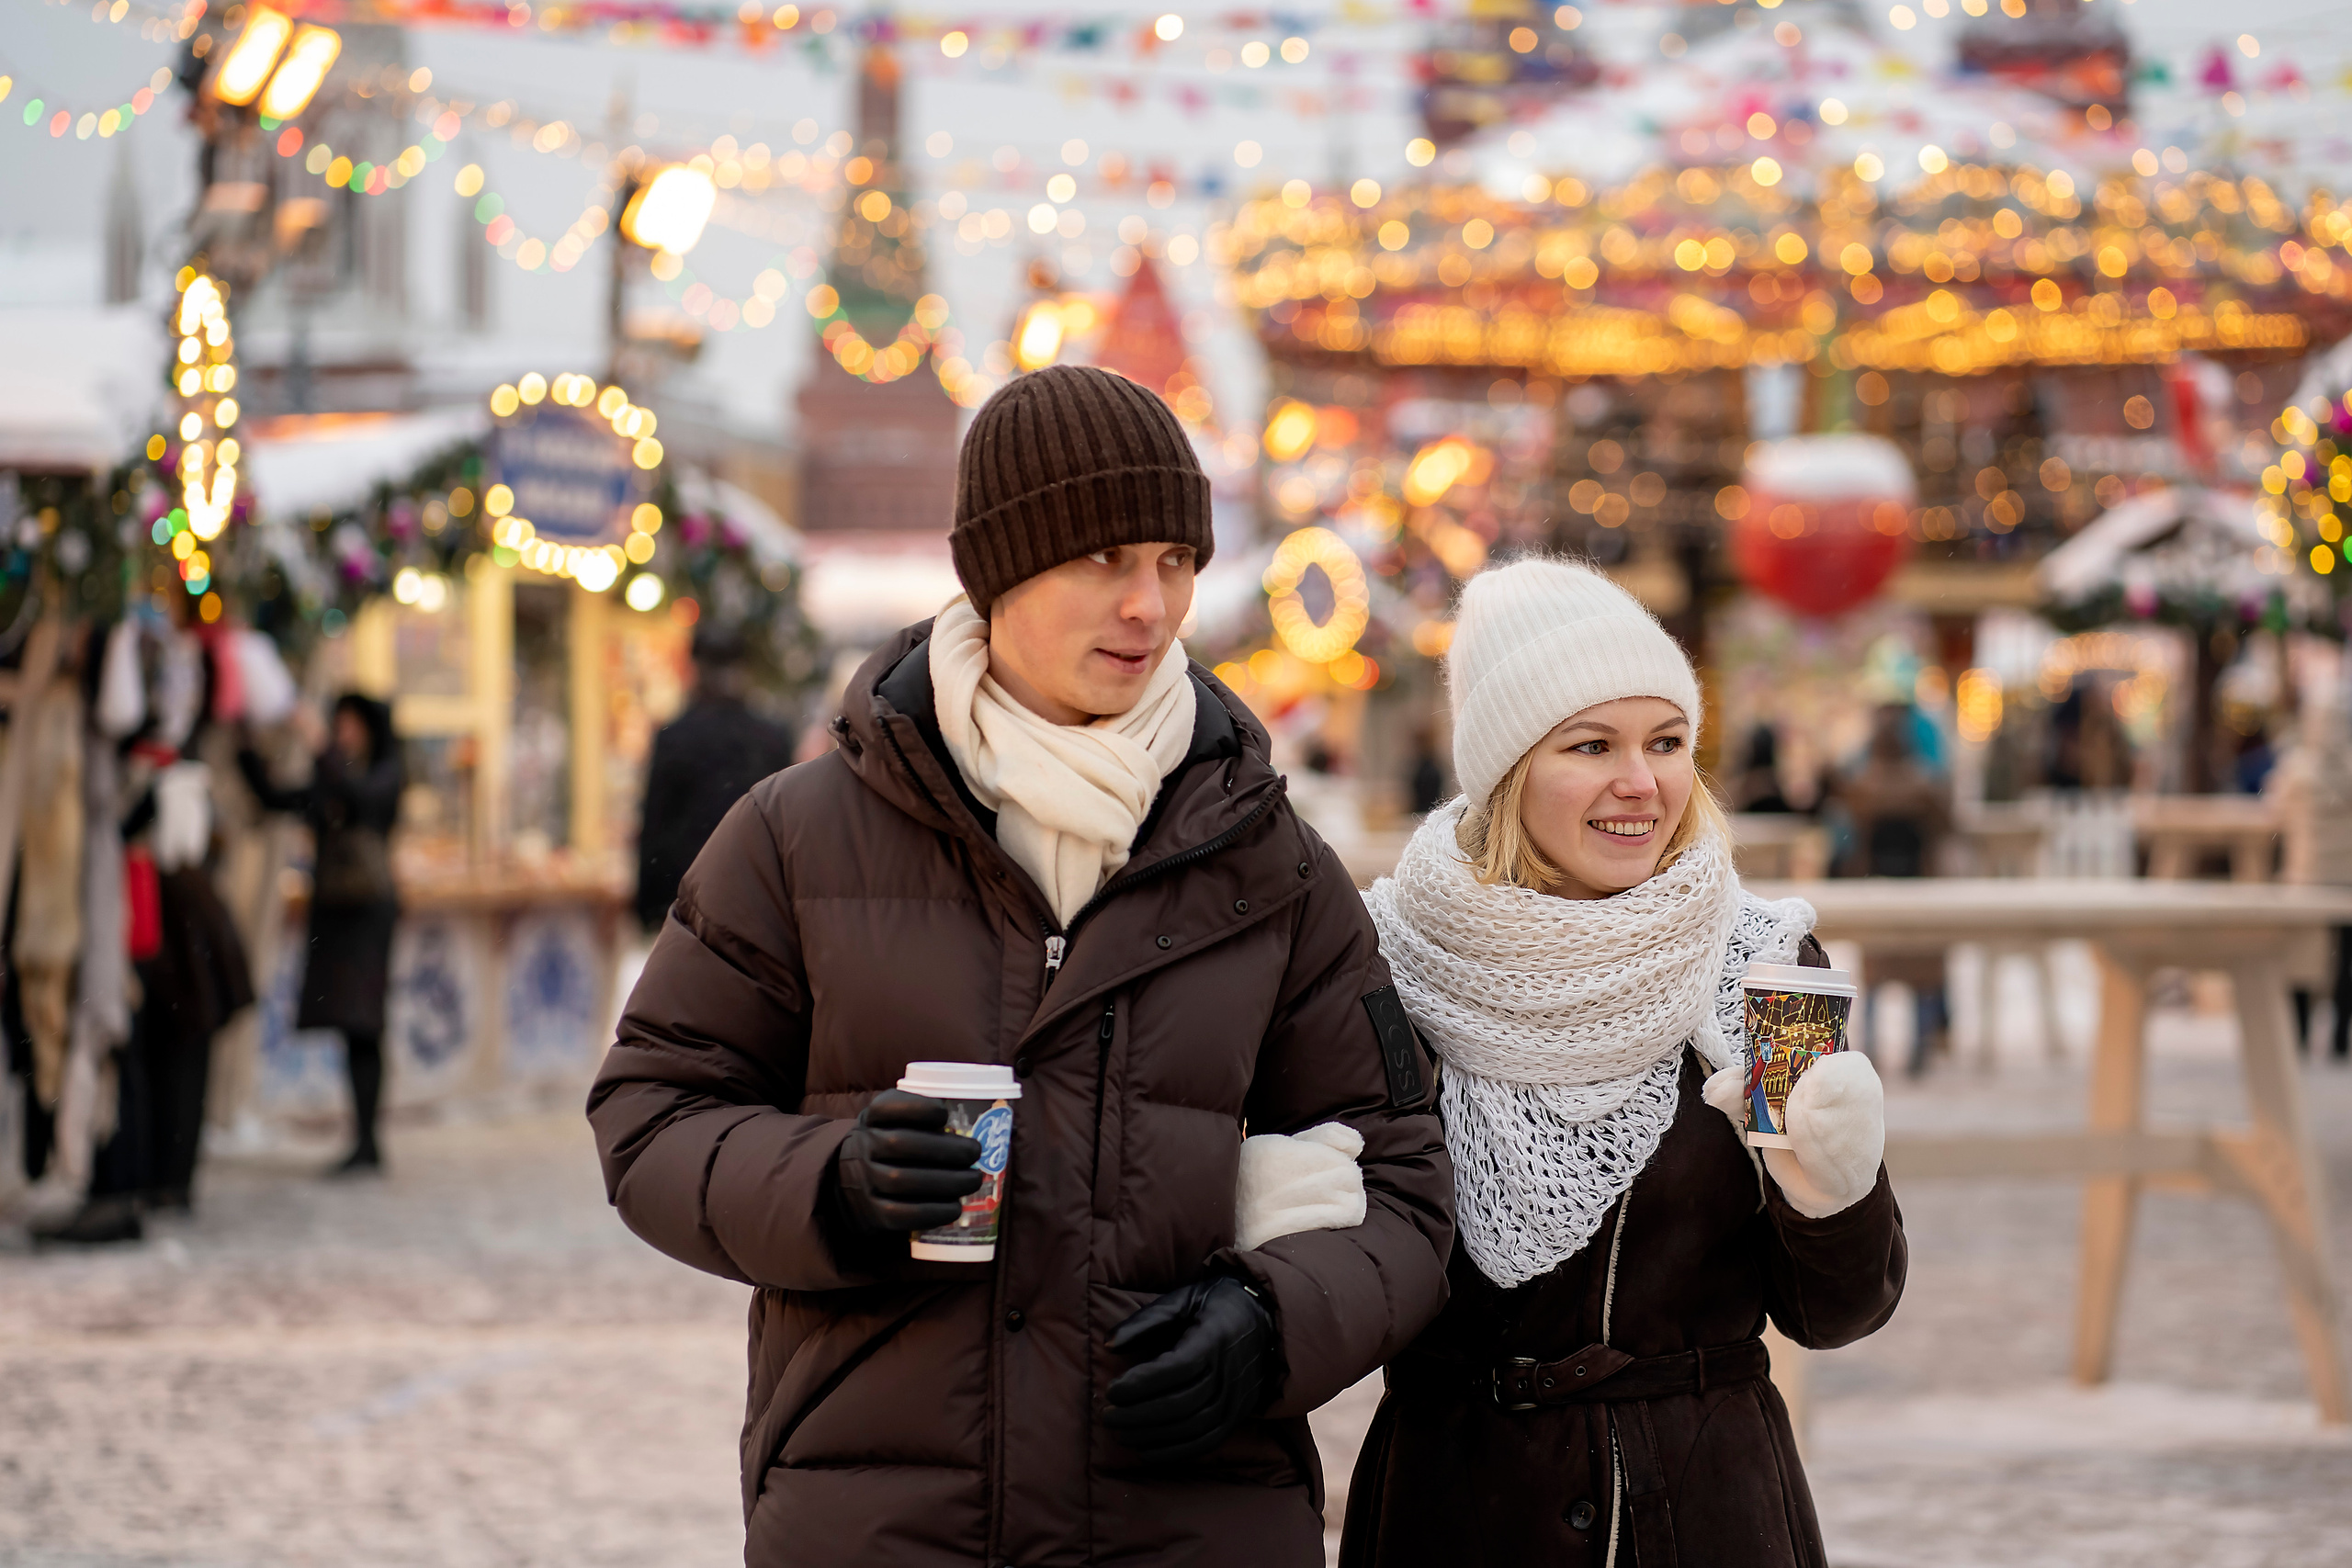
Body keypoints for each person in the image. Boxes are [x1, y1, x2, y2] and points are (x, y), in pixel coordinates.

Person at [589, 365, 1454, 1568]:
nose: (1148, 605)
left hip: (1188, 1516)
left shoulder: (1279, 866)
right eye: (1103, 558)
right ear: (997, 570)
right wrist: (830, 1183)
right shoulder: (795, 835)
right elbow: (649, 1112)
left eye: (1173, 560)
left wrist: (1271, 1320)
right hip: (884, 1522)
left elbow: (1407, 1181)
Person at [1343, 560, 1905, 1567]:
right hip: (1456, 1512)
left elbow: (1838, 1312)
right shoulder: (1385, 971)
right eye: (1590, 745)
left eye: (1666, 742)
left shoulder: (1766, 970)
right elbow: (1349, 1289)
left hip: (1710, 1518)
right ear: (1507, 770)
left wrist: (1832, 1192)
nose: (1640, 783)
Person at [238, 694, 402, 1175]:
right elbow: (278, 799)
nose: (344, 734)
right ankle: (362, 1138)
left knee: (365, 1025)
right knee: (352, 1026)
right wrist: (246, 747)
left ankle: (368, 1139)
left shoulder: (381, 773)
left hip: (367, 913)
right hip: (337, 913)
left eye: (352, 726)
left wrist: (321, 746)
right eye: (340, 725)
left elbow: (362, 798)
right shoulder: (333, 777)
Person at [631, 625, 797, 935]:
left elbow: (655, 826)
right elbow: (786, 827)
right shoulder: (771, 737)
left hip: (689, 906)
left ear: (695, 669)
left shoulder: (676, 737)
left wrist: (647, 910)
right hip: (758, 904)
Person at [1830, 705, 1952, 1074]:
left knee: (1876, 978)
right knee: (1920, 979)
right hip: (1920, 889)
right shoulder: (1927, 784)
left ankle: (1870, 1055)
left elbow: (1846, 826)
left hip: (1877, 890)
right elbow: (1947, 826)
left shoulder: (1862, 784)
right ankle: (1921, 1051)